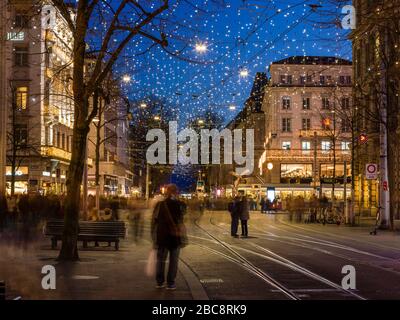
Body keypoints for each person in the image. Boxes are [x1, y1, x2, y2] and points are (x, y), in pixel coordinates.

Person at [151, 184, 186, 290]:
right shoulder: (179, 204)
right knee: (173, 261)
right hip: (174, 237)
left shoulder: (160, 205)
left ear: (166, 192)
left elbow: (154, 221)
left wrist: (154, 236)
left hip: (162, 236)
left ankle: (159, 282)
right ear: (175, 192)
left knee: (161, 260)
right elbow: (181, 219)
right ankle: (170, 283)